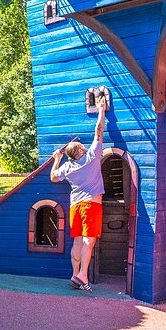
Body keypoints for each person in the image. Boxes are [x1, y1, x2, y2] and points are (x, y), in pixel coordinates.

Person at [49, 95, 108, 290]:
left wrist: (57, 159)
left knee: (77, 241)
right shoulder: (91, 156)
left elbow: (53, 178)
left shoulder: (68, 167)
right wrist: (101, 109)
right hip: (91, 204)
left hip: (75, 205)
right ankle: (83, 275)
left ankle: (74, 274)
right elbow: (98, 131)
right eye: (82, 146)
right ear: (81, 151)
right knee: (88, 241)